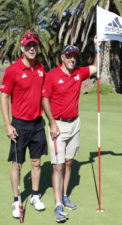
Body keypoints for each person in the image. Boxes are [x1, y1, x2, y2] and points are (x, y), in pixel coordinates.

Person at [42, 36, 101, 222]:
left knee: (68, 163)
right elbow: (45, 101)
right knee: (57, 165)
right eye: (69, 56)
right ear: (62, 57)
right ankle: (58, 204)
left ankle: (65, 195)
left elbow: (96, 67)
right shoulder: (51, 76)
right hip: (57, 125)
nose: (72, 59)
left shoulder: (78, 73)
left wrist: (97, 47)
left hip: (75, 123)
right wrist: (51, 122)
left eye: (75, 56)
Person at [0, 32, 47, 219]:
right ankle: (16, 200)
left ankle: (35, 196)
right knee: (17, 164)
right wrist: (7, 124)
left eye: (34, 45)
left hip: (37, 124)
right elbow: (4, 96)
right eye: (28, 46)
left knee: (36, 162)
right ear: (22, 48)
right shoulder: (13, 70)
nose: (32, 48)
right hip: (19, 124)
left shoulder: (41, 68)